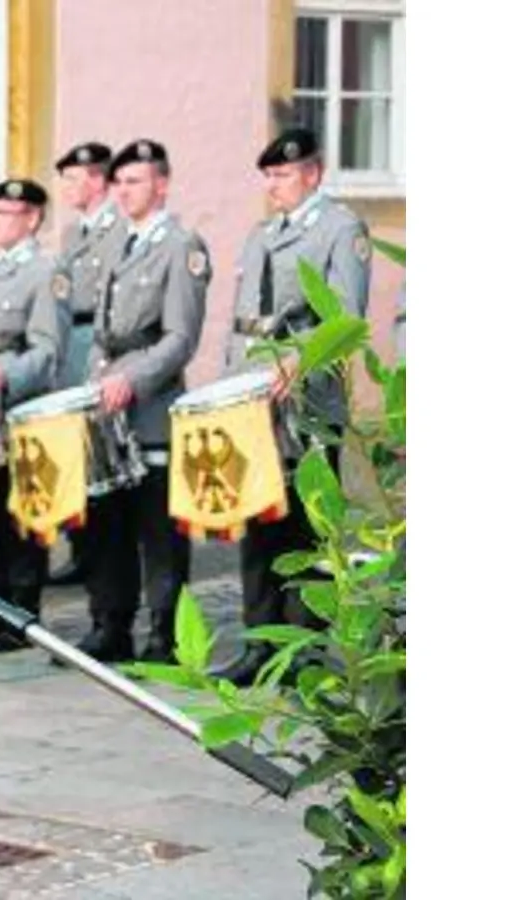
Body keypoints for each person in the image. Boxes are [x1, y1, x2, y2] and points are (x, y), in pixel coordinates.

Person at [212, 127, 372, 685]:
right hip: (255, 403)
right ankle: (260, 644)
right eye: (269, 177)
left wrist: (296, 362)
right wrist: (225, 388)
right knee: (258, 524)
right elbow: (241, 322)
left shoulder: (340, 229)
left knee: (307, 528)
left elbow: (345, 316)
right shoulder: (262, 234)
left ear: (313, 174)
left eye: (283, 175)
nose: (273, 186)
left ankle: (307, 654)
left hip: (306, 404)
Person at [79, 140, 210, 663]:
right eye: (119, 182)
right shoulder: (115, 241)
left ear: (162, 184)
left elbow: (180, 337)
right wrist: (96, 377)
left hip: (150, 404)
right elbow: (102, 326)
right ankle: (111, 623)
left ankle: (164, 631)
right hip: (107, 401)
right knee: (107, 520)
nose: (124, 191)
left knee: (158, 528)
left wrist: (133, 379)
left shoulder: (181, 245)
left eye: (135, 181)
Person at [0, 179, 66, 651]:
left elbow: (47, 350)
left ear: (33, 219)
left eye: (6, 212)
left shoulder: (45, 272)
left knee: (20, 517)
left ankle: (21, 614)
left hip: (20, 410)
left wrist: (5, 375)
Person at [46, 141, 126, 587]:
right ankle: (81, 548)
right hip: (71, 342)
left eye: (76, 178)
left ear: (98, 180)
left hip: (101, 340)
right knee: (74, 449)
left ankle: (106, 550)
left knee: (103, 448)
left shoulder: (117, 228)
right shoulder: (73, 232)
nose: (69, 188)